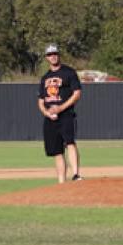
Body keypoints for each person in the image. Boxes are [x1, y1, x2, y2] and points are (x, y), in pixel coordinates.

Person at [38, 44, 83, 183]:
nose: (53, 56)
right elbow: (40, 100)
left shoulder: (68, 72)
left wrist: (61, 108)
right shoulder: (45, 78)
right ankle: (61, 182)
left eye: (55, 53)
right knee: (56, 151)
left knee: (70, 142)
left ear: (59, 54)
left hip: (66, 114)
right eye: (50, 54)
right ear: (46, 57)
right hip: (50, 118)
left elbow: (77, 94)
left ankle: (75, 174)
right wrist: (46, 112)